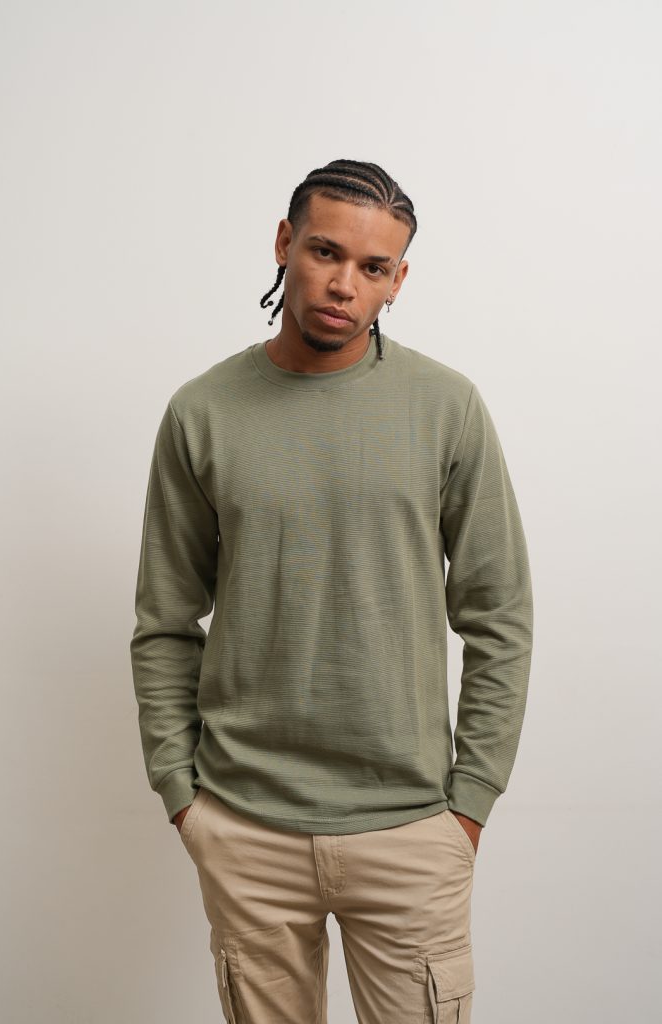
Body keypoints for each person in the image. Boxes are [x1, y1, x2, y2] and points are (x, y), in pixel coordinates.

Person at [130, 158, 533, 1023]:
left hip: (411, 826)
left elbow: (498, 616)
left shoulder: (446, 407)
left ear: (397, 280)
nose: (344, 284)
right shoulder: (203, 412)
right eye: (324, 252)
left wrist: (470, 803)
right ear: (285, 243)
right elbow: (164, 618)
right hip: (244, 824)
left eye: (373, 266)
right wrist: (181, 794)